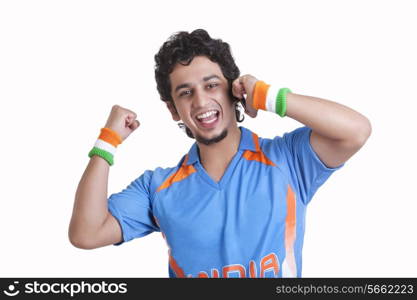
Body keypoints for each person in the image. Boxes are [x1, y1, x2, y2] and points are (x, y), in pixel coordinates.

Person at [68, 29, 372, 278]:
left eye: (211, 85)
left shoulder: (286, 160)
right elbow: (86, 233)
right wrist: (107, 142)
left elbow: (355, 130)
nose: (200, 102)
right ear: (173, 109)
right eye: (185, 93)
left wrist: (268, 96)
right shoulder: (158, 188)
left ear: (234, 91)